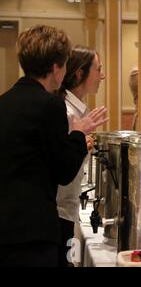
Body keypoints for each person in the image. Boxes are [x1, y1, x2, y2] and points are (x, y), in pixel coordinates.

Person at [0, 25, 108, 267]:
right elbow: (64, 170)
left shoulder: (4, 101)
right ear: (56, 68)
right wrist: (79, 134)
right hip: (33, 229)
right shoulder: (50, 105)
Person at [56, 46, 105, 267]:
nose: (102, 75)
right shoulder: (66, 112)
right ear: (79, 73)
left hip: (70, 209)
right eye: (98, 69)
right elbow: (62, 167)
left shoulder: (78, 110)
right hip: (60, 213)